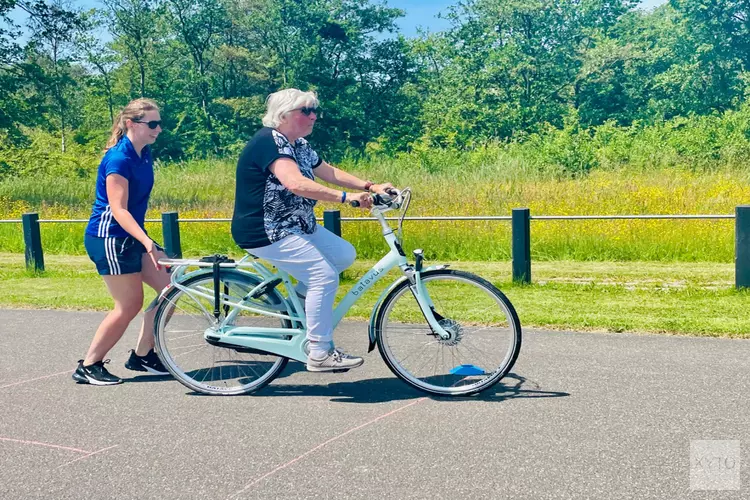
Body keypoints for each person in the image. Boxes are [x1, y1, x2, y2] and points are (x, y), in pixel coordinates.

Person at [231, 89, 394, 372]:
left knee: (343, 254)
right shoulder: (269, 142)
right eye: (306, 110)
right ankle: (319, 352)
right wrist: (346, 198)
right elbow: (294, 182)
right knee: (323, 275)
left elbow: (328, 172)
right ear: (284, 114)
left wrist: (369, 187)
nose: (314, 115)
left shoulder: (299, 144)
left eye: (315, 109)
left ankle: (300, 309)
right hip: (265, 229)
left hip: (296, 225)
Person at [73, 98, 171, 385]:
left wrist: (143, 239)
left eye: (159, 123)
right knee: (128, 304)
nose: (158, 129)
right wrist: (147, 241)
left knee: (171, 286)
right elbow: (119, 209)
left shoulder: (143, 153)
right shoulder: (119, 158)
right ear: (131, 123)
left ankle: (142, 355)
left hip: (130, 235)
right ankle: (89, 365)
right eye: (152, 124)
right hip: (110, 238)